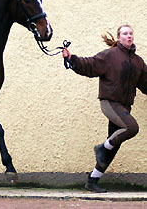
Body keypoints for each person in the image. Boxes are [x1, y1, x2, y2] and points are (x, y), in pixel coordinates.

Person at [62, 25, 147, 193]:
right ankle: (101, 147)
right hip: (110, 102)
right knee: (131, 128)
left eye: (130, 33)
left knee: (114, 144)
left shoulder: (138, 62)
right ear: (119, 37)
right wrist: (72, 58)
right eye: (125, 33)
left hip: (124, 106)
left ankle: (92, 180)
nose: (128, 36)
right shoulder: (109, 55)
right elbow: (89, 65)